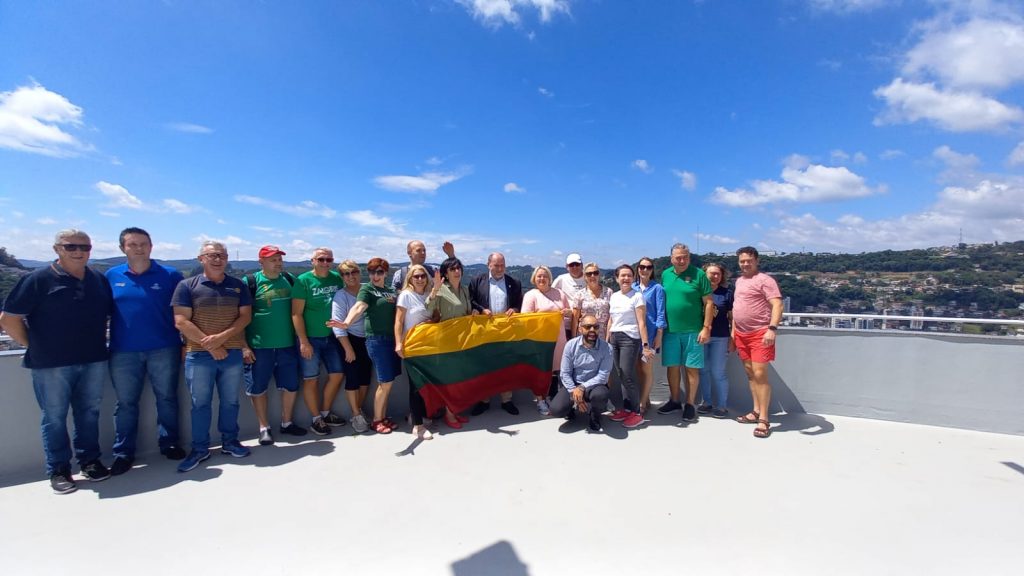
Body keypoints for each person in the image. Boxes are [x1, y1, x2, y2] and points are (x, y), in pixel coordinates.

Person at [1, 229, 113, 493]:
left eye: (84, 247)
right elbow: (8, 319)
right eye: (71, 246)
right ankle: (59, 470)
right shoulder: (38, 279)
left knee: (89, 413)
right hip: (51, 364)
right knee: (54, 417)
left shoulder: (97, 279)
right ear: (57, 249)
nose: (78, 252)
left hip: (93, 359)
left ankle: (90, 461)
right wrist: (35, 345)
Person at [105, 227, 185, 476]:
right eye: (133, 244)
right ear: (122, 248)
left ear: (151, 246)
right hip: (123, 351)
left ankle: (169, 443)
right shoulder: (111, 276)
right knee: (126, 404)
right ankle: (123, 452)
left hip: (165, 347)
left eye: (143, 244)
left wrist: (185, 343)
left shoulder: (170, 275)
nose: (139, 248)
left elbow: (183, 311)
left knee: (167, 398)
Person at [171, 241, 252, 473]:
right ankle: (199, 449)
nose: (218, 259)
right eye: (212, 255)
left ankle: (230, 442)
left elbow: (245, 317)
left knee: (230, 401)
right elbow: (181, 321)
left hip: (232, 352)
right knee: (200, 404)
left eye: (222, 255)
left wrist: (221, 338)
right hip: (199, 355)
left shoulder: (238, 286)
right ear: (201, 259)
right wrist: (211, 345)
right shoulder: (187, 286)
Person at [242, 245, 307, 446]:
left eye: (279, 259)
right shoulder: (250, 282)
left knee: (291, 385)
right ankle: (264, 428)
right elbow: (239, 316)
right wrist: (244, 346)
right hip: (259, 346)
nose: (278, 263)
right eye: (273, 260)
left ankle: (287, 422)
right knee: (258, 387)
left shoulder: (289, 279)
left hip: (287, 344)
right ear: (261, 262)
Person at [328, 257, 402, 435]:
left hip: (391, 340)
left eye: (379, 272)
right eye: (371, 272)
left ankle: (382, 417)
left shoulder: (391, 291)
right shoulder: (367, 289)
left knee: (387, 381)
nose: (375, 276)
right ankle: (376, 420)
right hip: (376, 340)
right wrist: (346, 323)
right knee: (384, 381)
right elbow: (359, 307)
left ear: (386, 273)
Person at [291, 247, 346, 436]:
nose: (325, 263)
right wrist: (303, 341)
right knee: (311, 379)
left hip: (332, 337)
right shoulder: (303, 280)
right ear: (312, 261)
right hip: (310, 338)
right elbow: (296, 314)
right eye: (321, 259)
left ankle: (325, 412)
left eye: (328, 260)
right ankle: (316, 419)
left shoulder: (336, 278)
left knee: (337, 374)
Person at [657, 243, 714, 423]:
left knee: (691, 368)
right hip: (670, 330)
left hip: (693, 331)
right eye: (678, 258)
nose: (682, 261)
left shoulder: (699, 274)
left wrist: (706, 327)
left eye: (685, 257)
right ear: (671, 259)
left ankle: (690, 404)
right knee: (672, 367)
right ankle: (674, 401)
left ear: (689, 257)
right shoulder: (665, 274)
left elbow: (709, 303)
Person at [731, 246, 783, 439]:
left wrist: (772, 329)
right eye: (742, 261)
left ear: (757, 261)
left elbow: (777, 304)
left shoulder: (765, 280)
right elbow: (737, 308)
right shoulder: (739, 281)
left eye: (749, 261)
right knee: (750, 373)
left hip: (760, 333)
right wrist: (734, 334)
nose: (745, 264)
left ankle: (764, 419)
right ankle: (755, 410)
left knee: (760, 374)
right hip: (741, 334)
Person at [468, 252, 524, 416]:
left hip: (506, 333)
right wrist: (480, 309)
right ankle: (483, 401)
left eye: (502, 265)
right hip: (484, 332)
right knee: (483, 367)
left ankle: (507, 401)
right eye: (496, 265)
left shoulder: (514, 282)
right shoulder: (477, 281)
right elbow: (470, 301)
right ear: (489, 265)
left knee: (506, 367)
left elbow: (519, 303)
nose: (500, 269)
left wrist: (514, 309)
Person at [423, 256, 474, 430]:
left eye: (458, 268)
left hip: (463, 340)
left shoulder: (465, 290)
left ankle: (454, 410)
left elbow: (466, 312)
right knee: (449, 378)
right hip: (446, 341)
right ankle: (449, 414)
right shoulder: (442, 289)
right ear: (446, 273)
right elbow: (428, 308)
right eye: (452, 269)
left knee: (459, 378)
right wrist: (435, 290)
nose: (457, 271)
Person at [606, 264, 655, 429]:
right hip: (614, 337)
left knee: (628, 373)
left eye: (629, 275)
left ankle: (636, 412)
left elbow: (642, 322)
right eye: (622, 275)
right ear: (617, 278)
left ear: (633, 278)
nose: (626, 278)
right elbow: (611, 320)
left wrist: (645, 345)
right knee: (617, 374)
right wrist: (607, 340)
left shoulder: (637, 296)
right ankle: (624, 409)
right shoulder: (614, 296)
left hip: (630, 338)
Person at [520, 265, 571, 416]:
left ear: (550, 278)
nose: (542, 279)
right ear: (534, 279)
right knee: (541, 371)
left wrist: (568, 312)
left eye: (545, 276)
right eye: (539, 276)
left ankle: (556, 399)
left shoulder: (559, 293)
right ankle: (540, 400)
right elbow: (525, 319)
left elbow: (569, 312)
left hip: (559, 339)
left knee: (558, 370)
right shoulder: (530, 295)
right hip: (540, 342)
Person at [549, 314, 612, 433]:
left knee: (600, 395)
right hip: (573, 384)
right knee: (556, 410)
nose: (592, 330)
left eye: (596, 327)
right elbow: (565, 373)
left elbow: (603, 376)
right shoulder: (570, 345)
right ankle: (571, 409)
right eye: (588, 327)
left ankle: (594, 415)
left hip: (594, 386)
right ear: (580, 329)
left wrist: (582, 387)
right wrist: (574, 392)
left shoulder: (607, 348)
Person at [331, 260, 374, 433]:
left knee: (365, 378)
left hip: (368, 338)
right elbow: (337, 324)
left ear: (359, 272)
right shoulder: (341, 296)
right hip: (349, 339)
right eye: (346, 274)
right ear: (342, 277)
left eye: (353, 272)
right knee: (352, 377)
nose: (351, 276)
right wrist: (348, 348)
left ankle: (359, 409)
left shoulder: (367, 289)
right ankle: (356, 414)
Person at [395, 264, 436, 439]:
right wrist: (398, 343)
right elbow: (398, 321)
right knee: (415, 386)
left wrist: (430, 322)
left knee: (426, 384)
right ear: (410, 278)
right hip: (412, 347)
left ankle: (419, 415)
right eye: (416, 276)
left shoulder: (428, 295)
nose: (420, 279)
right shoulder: (405, 295)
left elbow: (435, 316)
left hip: (428, 346)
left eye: (422, 276)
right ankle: (418, 427)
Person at [697, 262, 734, 419]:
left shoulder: (727, 294)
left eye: (718, 274)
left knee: (718, 372)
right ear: (704, 275)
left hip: (721, 337)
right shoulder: (697, 292)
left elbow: (732, 318)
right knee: (703, 371)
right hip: (701, 337)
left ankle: (722, 406)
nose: (715, 276)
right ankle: (707, 402)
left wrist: (732, 338)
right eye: (711, 273)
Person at [632, 256, 666, 414]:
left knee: (646, 368)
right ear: (637, 269)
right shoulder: (632, 287)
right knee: (638, 369)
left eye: (648, 267)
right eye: (642, 267)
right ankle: (645, 399)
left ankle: (642, 404)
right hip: (634, 334)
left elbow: (661, 313)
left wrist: (659, 334)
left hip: (651, 335)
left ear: (652, 270)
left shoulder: (657, 288)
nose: (645, 270)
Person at [391, 239, 455, 290]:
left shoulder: (433, 270)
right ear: (409, 253)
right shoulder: (400, 275)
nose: (423, 253)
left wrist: (451, 255)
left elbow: (454, 274)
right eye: (418, 250)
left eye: (424, 250)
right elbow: (394, 296)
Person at [571, 262, 612, 338]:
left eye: (595, 273)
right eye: (589, 274)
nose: (592, 276)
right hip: (585, 336)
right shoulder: (579, 295)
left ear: (599, 275)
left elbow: (611, 317)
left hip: (603, 335)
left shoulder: (609, 292)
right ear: (584, 277)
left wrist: (608, 338)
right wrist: (573, 337)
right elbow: (575, 319)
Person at [551, 253, 585, 338]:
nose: (574, 267)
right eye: (571, 265)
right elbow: (550, 294)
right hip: (566, 324)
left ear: (582, 265)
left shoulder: (587, 278)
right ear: (567, 267)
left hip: (584, 323)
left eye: (577, 264)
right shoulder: (561, 279)